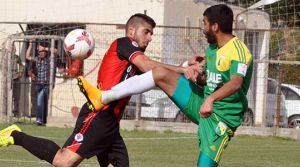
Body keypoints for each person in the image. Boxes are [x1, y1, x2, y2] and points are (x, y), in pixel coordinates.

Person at [0, 13, 200, 167]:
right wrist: (183, 69)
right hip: (98, 115)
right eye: (146, 32)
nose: (149, 38)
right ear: (131, 31)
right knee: (64, 161)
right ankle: (16, 135)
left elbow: (158, 75)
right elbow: (151, 67)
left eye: (151, 34)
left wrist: (184, 68)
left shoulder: (135, 61)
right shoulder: (124, 43)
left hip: (110, 123)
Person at [77, 5, 253, 167]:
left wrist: (212, 99)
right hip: (201, 101)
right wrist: (196, 73)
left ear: (215, 27)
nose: (202, 28)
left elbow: (236, 82)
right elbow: (209, 81)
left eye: (204, 23)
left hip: (220, 117)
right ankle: (104, 96)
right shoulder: (212, 49)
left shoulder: (239, 50)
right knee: (160, 75)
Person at [25, 40, 51, 125]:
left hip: (47, 84)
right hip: (39, 84)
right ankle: (39, 120)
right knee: (40, 101)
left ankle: (44, 120)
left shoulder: (49, 59)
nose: (42, 53)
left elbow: (55, 51)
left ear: (46, 52)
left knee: (45, 103)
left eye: (43, 51)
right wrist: (30, 45)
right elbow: (27, 56)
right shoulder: (37, 59)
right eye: (40, 51)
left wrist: (45, 48)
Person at [11, 45, 25, 117]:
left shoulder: (17, 57)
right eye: (13, 48)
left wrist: (20, 73)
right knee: (9, 96)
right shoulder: (5, 57)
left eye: (15, 48)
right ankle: (8, 112)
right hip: (8, 79)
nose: (14, 49)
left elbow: (22, 65)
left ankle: (15, 112)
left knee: (16, 96)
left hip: (16, 78)